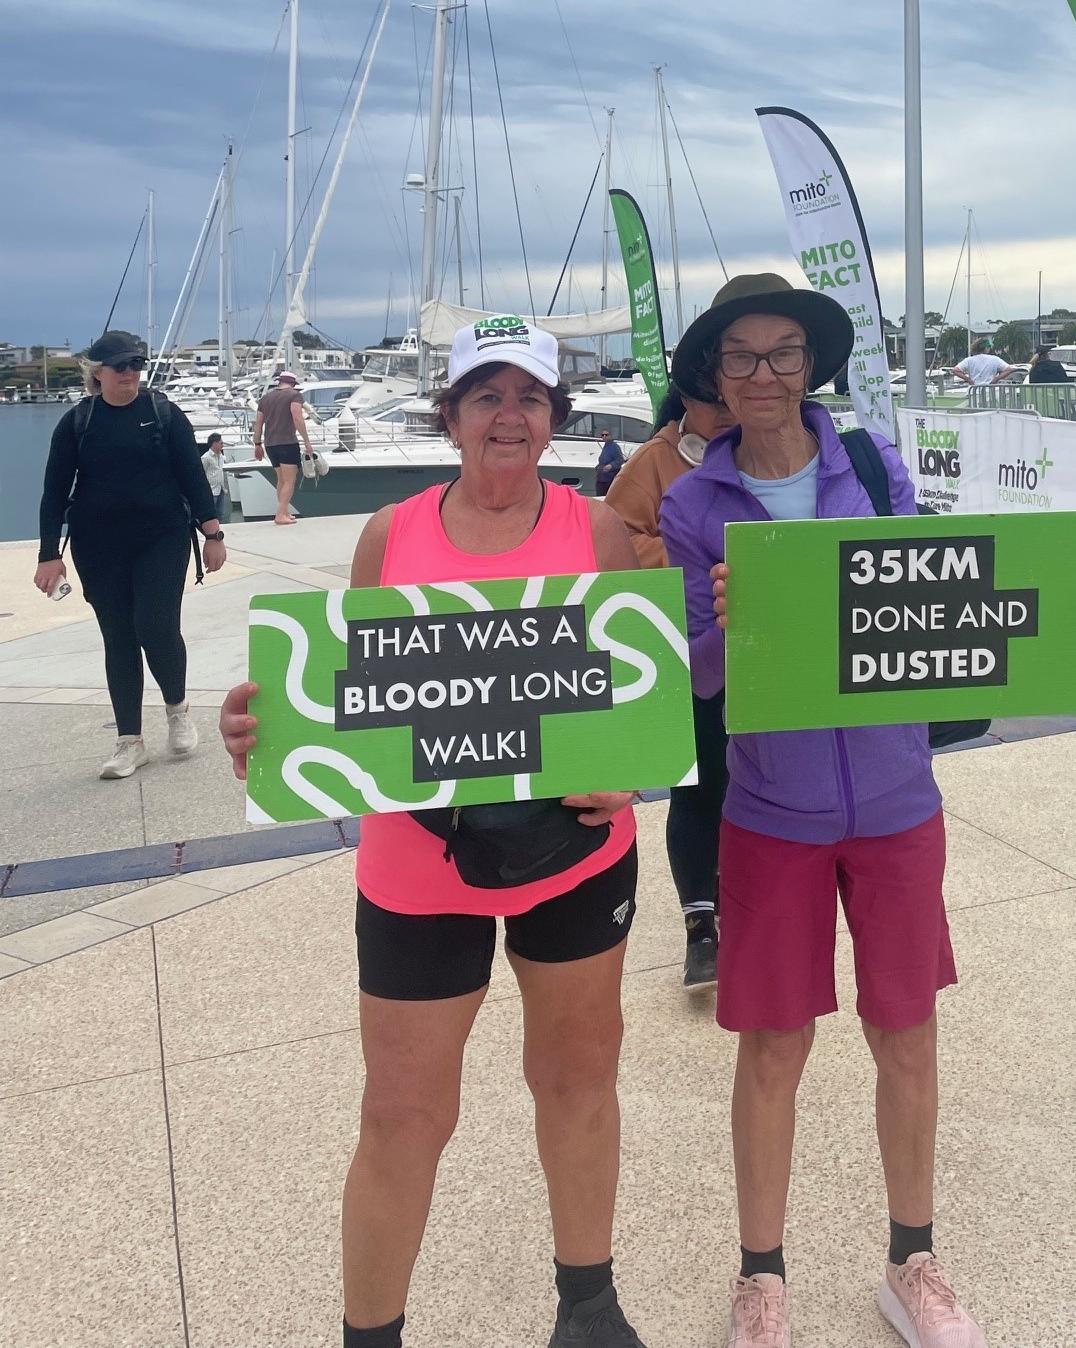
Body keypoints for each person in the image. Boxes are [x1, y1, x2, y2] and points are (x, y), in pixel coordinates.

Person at [219, 316, 651, 1348]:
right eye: (487, 395)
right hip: (419, 861)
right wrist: (267, 732)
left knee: (578, 1079)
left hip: (575, 854)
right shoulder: (391, 532)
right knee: (404, 1117)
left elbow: (636, 695)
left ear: (554, 418)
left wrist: (626, 779)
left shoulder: (597, 531)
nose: (510, 416)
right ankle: (371, 1334)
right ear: (451, 414)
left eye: (531, 397)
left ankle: (587, 1306)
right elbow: (354, 704)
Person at [660, 274, 984, 1348]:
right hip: (769, 813)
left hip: (897, 802)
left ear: (813, 365)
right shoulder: (691, 504)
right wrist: (714, 626)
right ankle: (763, 1276)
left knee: (907, 1033)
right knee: (774, 1046)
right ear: (715, 375)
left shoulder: (877, 471)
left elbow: (944, 605)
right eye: (741, 357)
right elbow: (698, 685)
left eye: (784, 353)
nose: (764, 375)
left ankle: (913, 1261)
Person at [35, 331, 225, 779]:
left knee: (155, 624)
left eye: (136, 365)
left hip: (162, 536)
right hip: (97, 545)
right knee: (118, 635)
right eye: (120, 366)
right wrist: (48, 554)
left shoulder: (163, 414)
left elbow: (192, 475)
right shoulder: (77, 423)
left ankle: (177, 710)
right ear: (96, 372)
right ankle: (129, 741)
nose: (130, 374)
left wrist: (212, 533)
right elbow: (53, 493)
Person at [607, 383, 736, 989]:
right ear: (685, 401)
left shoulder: (760, 451)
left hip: (762, 652)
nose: (726, 409)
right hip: (683, 646)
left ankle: (745, 910)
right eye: (711, 399)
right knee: (697, 787)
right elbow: (616, 535)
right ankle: (700, 923)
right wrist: (693, 555)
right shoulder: (654, 461)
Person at [254, 370, 314, 525]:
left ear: (279, 382)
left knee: (281, 479)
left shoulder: (265, 398)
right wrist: (306, 441)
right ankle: (280, 514)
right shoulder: (294, 395)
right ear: (293, 384)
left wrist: (257, 444)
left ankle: (285, 510)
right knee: (290, 480)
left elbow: (258, 423)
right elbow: (297, 417)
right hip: (287, 442)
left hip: (270, 444)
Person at [201, 432, 229, 521]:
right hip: (211, 490)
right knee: (212, 513)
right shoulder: (206, 457)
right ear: (214, 443)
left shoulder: (221, 456)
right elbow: (202, 473)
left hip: (221, 488)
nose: (222, 445)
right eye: (221, 443)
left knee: (220, 513)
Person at [594, 427, 625, 498]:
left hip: (610, 479)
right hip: (601, 479)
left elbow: (620, 460)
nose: (604, 437)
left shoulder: (615, 447)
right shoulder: (606, 446)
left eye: (606, 435)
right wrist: (598, 467)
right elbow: (602, 461)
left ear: (610, 435)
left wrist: (611, 466)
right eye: (602, 435)